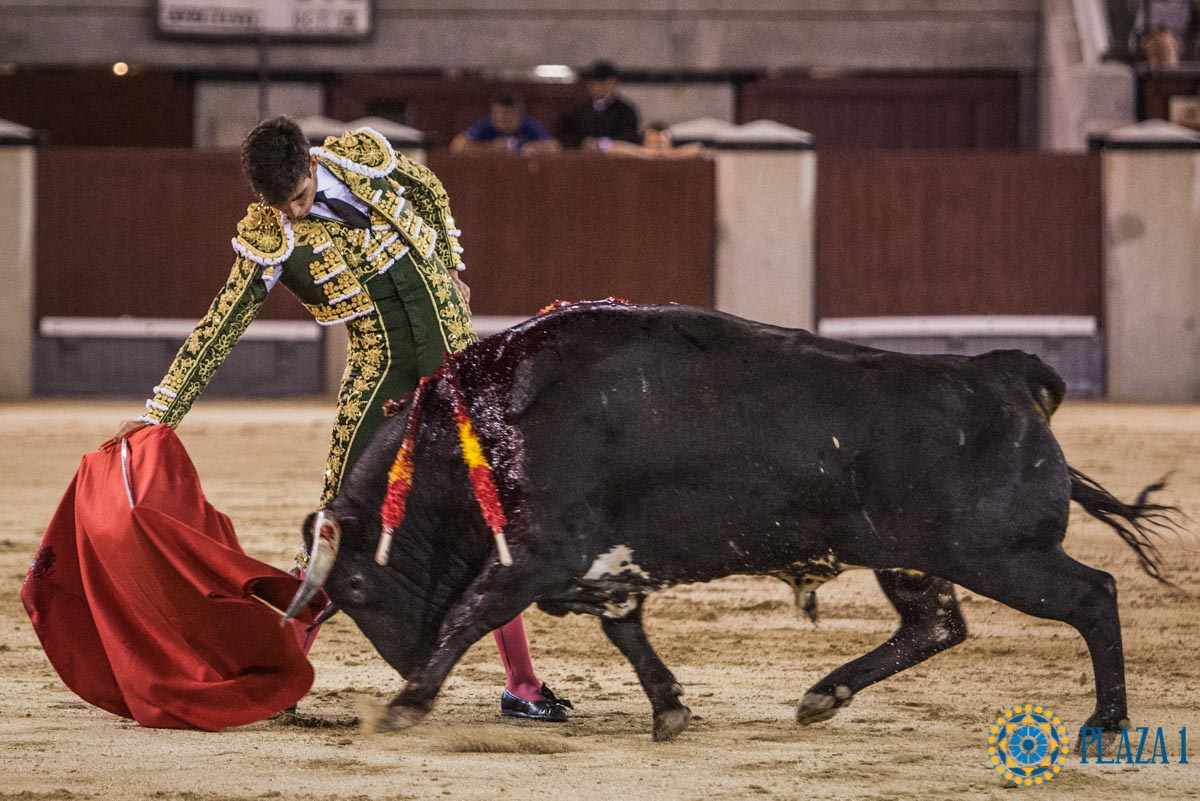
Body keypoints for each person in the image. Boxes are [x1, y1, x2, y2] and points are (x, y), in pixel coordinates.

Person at [113, 117, 572, 722]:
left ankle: (523, 686)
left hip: (458, 367)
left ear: (311, 162)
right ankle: (273, 675)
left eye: (300, 198)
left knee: (492, 521)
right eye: (282, 207)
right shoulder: (270, 235)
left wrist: (452, 267)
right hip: (381, 380)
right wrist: (159, 415)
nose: (295, 216)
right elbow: (219, 326)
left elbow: (431, 192)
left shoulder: (364, 159)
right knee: (337, 529)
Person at [561, 60, 641, 149]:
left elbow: (630, 138)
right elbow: (571, 135)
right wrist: (583, 142)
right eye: (592, 84)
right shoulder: (581, 110)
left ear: (612, 83)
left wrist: (602, 143)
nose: (596, 88)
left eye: (601, 83)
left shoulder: (625, 111)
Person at [450, 93, 560, 155]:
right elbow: (457, 146)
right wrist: (490, 148)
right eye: (498, 114)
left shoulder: (530, 126)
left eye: (508, 115)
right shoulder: (486, 126)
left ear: (519, 114)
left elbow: (555, 147)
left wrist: (535, 148)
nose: (502, 118)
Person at [586, 121, 706, 159]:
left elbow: (698, 149)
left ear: (670, 143)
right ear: (644, 142)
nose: (658, 147)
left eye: (661, 143)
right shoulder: (637, 152)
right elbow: (610, 148)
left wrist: (667, 154)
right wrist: (645, 153)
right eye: (653, 143)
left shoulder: (677, 154)